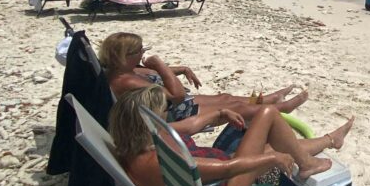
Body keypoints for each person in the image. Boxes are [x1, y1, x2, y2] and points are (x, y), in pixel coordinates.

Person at [109, 86, 353, 186]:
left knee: (263, 129)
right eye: (163, 111)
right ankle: (311, 160)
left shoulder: (141, 142)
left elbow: (191, 125)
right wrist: (271, 159)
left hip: (204, 181)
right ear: (148, 120)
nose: (167, 115)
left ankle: (330, 140)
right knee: (267, 117)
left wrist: (219, 115)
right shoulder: (161, 161)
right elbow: (229, 168)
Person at [99, 32, 309, 122]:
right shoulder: (127, 81)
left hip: (170, 107)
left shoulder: (123, 71)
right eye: (139, 51)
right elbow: (177, 95)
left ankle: (272, 99)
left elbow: (153, 74)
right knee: (236, 107)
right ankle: (281, 107)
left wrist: (180, 69)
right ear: (126, 56)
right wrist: (160, 63)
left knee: (226, 97)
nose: (142, 53)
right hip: (171, 114)